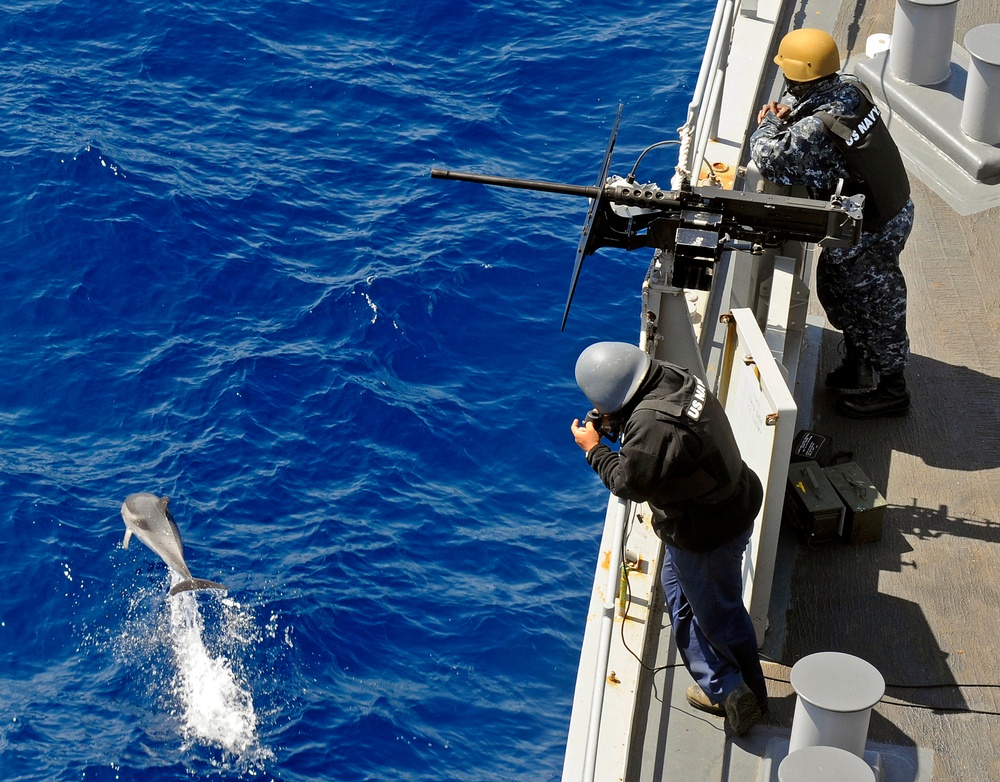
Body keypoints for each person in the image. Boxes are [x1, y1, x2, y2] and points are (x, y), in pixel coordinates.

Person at [569, 341, 766, 736]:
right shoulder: (671, 375)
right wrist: (615, 422)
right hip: (726, 502)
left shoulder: (651, 424)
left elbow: (629, 482)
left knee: (720, 615)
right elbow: (668, 442)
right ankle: (722, 684)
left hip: (707, 531)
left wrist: (594, 450)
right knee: (679, 595)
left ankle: (748, 698)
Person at [749, 28, 914, 418]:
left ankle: (894, 388)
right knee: (837, 289)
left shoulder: (813, 130)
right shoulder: (851, 88)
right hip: (888, 208)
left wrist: (769, 123)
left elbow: (769, 158)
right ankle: (860, 358)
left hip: (871, 228)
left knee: (879, 303)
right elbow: (807, 101)